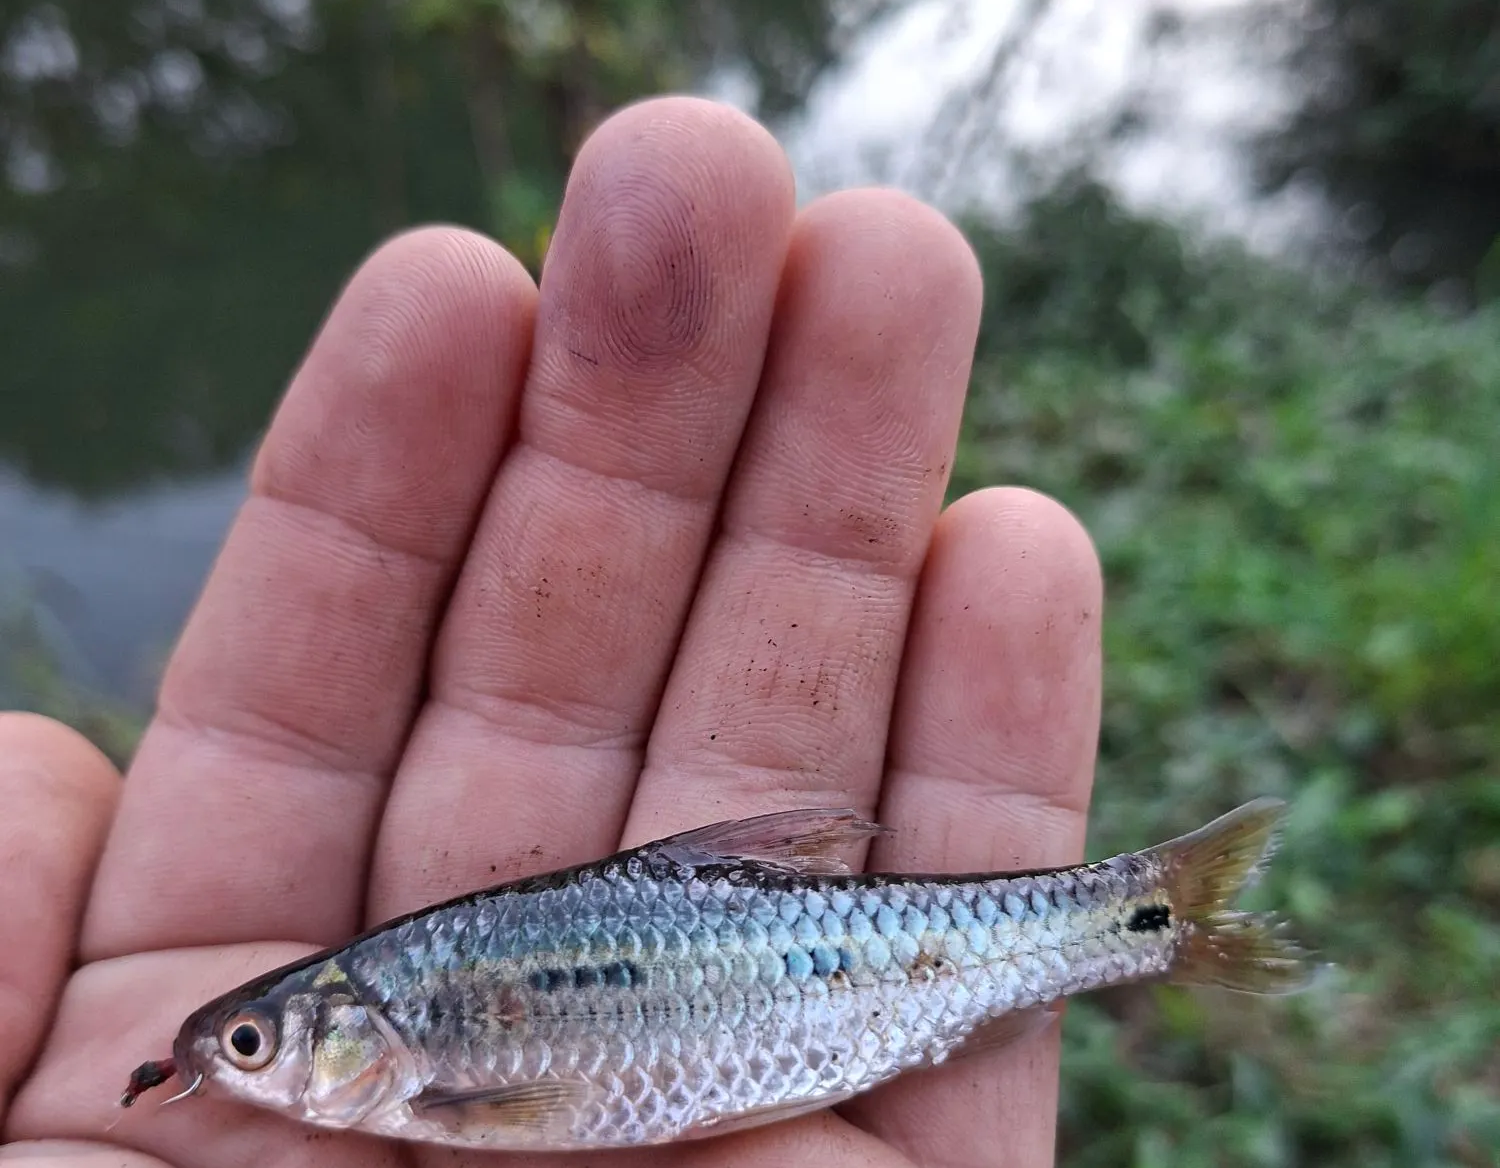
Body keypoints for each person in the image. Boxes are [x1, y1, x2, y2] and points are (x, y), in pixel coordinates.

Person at [0, 97, 1102, 1167]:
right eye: (249, 1044)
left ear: (346, 1034)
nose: (244, 1060)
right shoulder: (417, 1053)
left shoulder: (434, 1072)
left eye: (253, 1045)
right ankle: (1123, 923)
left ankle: (1129, 922)